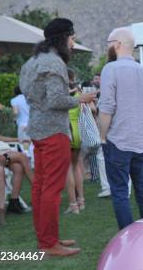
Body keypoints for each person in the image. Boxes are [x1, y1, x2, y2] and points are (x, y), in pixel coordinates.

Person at [19, 18, 96, 256]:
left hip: (37, 131)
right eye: (72, 38)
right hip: (53, 132)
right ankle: (50, 244)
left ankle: (46, 239)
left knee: (41, 187)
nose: (73, 43)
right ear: (63, 38)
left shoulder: (32, 62)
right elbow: (56, 101)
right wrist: (81, 99)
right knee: (51, 189)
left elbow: (32, 94)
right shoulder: (54, 63)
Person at [98, 27, 143, 230]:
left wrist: (102, 136)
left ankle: (127, 237)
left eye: (108, 44)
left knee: (120, 192)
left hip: (118, 141)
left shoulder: (110, 69)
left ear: (117, 44)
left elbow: (106, 108)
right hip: (142, 142)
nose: (108, 48)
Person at [64, 70, 88, 214]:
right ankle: (81, 201)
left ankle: (73, 204)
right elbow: (92, 109)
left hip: (67, 131)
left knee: (68, 168)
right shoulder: (78, 93)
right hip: (78, 131)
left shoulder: (62, 95)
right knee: (76, 166)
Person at [10, 85, 31, 152]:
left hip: (22, 124)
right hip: (31, 124)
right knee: (32, 144)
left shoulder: (14, 100)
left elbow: (16, 112)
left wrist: (14, 118)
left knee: (24, 145)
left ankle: (27, 159)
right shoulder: (29, 99)